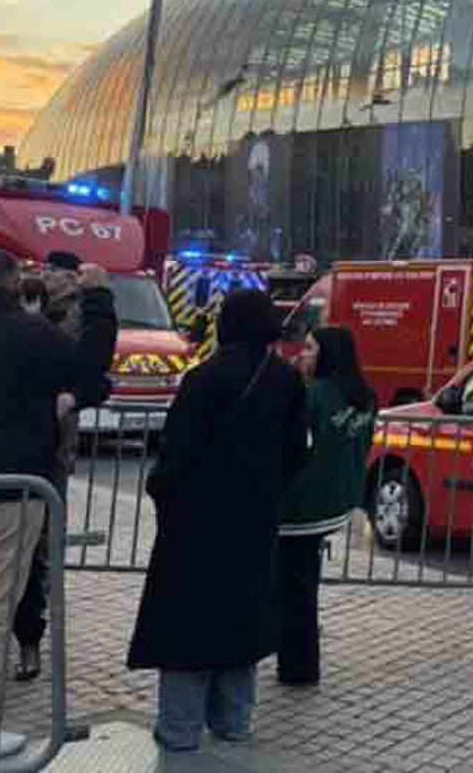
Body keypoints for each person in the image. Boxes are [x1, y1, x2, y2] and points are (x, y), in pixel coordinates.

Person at [127, 289, 309, 752]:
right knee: (240, 621)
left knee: (188, 625)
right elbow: (296, 451)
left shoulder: (203, 379)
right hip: (254, 517)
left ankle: (180, 730)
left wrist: (161, 491)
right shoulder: (286, 381)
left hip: (196, 520)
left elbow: (176, 453)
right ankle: (234, 721)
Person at [0, 249, 117, 764]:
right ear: (12, 287)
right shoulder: (28, 335)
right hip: (9, 485)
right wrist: (98, 301)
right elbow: (90, 370)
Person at [13, 251, 101, 682]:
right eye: (45, 272)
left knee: (40, 549)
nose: (48, 279)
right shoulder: (30, 312)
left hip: (52, 451)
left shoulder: (75, 320)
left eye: (58, 273)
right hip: (13, 445)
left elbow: (92, 372)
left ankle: (31, 637)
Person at [277, 327, 376, 686]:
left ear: (328, 354)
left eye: (309, 348)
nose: (302, 353)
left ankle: (297, 667)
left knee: (293, 590)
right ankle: (298, 662)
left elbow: (293, 447)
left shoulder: (313, 395)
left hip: (301, 506)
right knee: (302, 585)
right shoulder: (363, 396)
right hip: (337, 500)